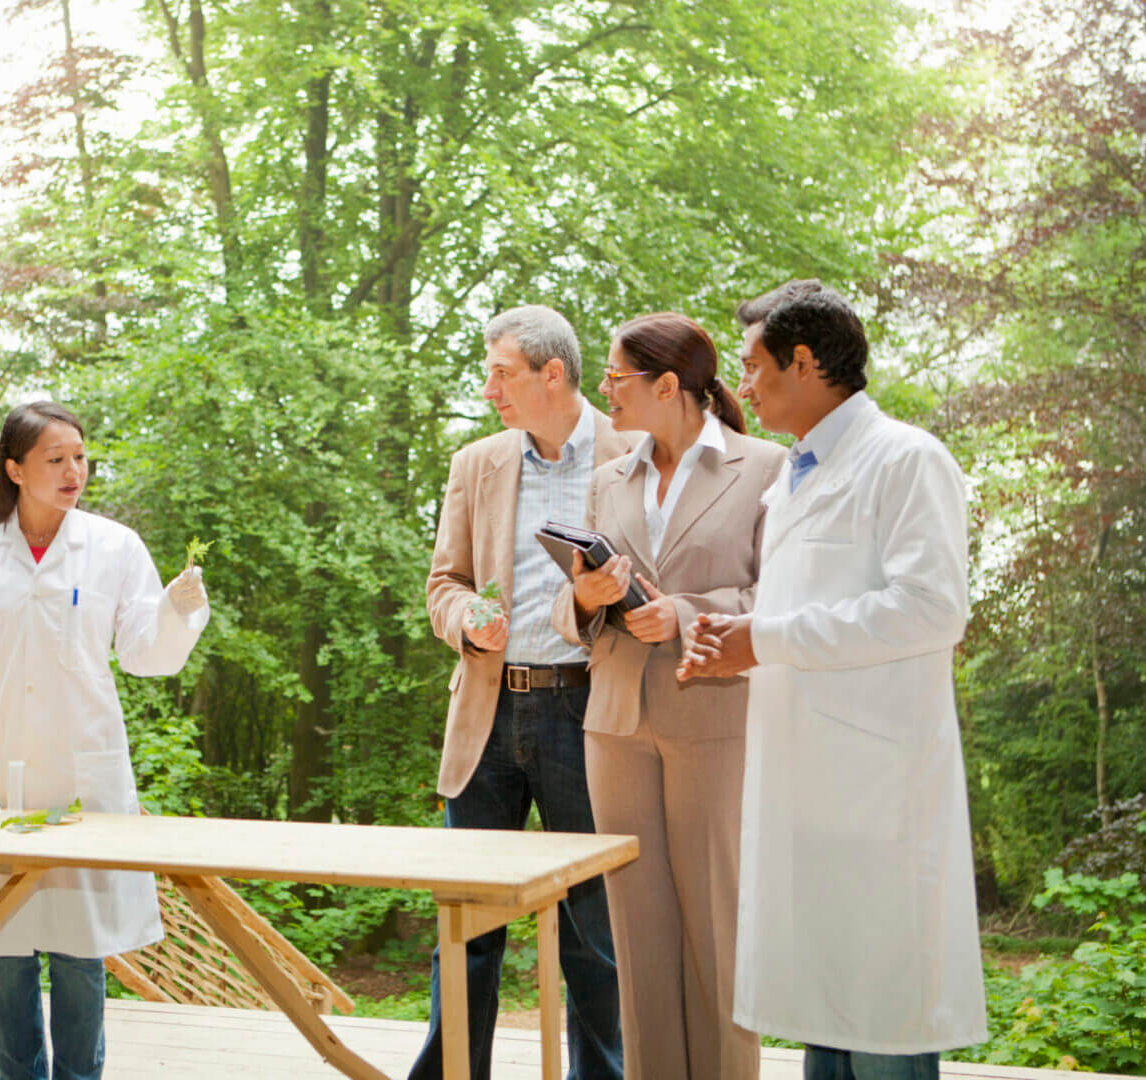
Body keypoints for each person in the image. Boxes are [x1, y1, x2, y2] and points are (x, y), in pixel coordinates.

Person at [678, 282, 987, 1078]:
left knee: (881, 1021)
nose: (738, 387)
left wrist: (766, 638)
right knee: (826, 1012)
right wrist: (732, 638)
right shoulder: (795, 475)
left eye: (750, 366)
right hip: (806, 787)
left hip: (876, 790)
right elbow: (798, 609)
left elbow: (929, 610)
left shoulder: (906, 459)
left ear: (805, 361)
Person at [0, 400, 210, 1080]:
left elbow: (146, 653)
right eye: (55, 459)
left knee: (79, 949)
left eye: (80, 457)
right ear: (14, 468)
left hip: (79, 765)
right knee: (2, 946)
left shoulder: (114, 547)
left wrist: (179, 613)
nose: (73, 472)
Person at [553, 312, 784, 1080]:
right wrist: (587, 596)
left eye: (617, 378)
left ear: (668, 386)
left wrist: (681, 614)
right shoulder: (603, 480)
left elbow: (779, 595)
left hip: (714, 715)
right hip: (614, 723)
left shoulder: (765, 468)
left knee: (714, 929)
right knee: (637, 935)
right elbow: (568, 615)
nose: (605, 392)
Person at [418, 304, 629, 1080]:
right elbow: (443, 583)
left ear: (552, 373)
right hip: (486, 709)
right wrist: (466, 619)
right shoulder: (476, 462)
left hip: (589, 711)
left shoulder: (630, 451)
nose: (488, 390)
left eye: (500, 373)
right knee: (466, 928)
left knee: (595, 935)